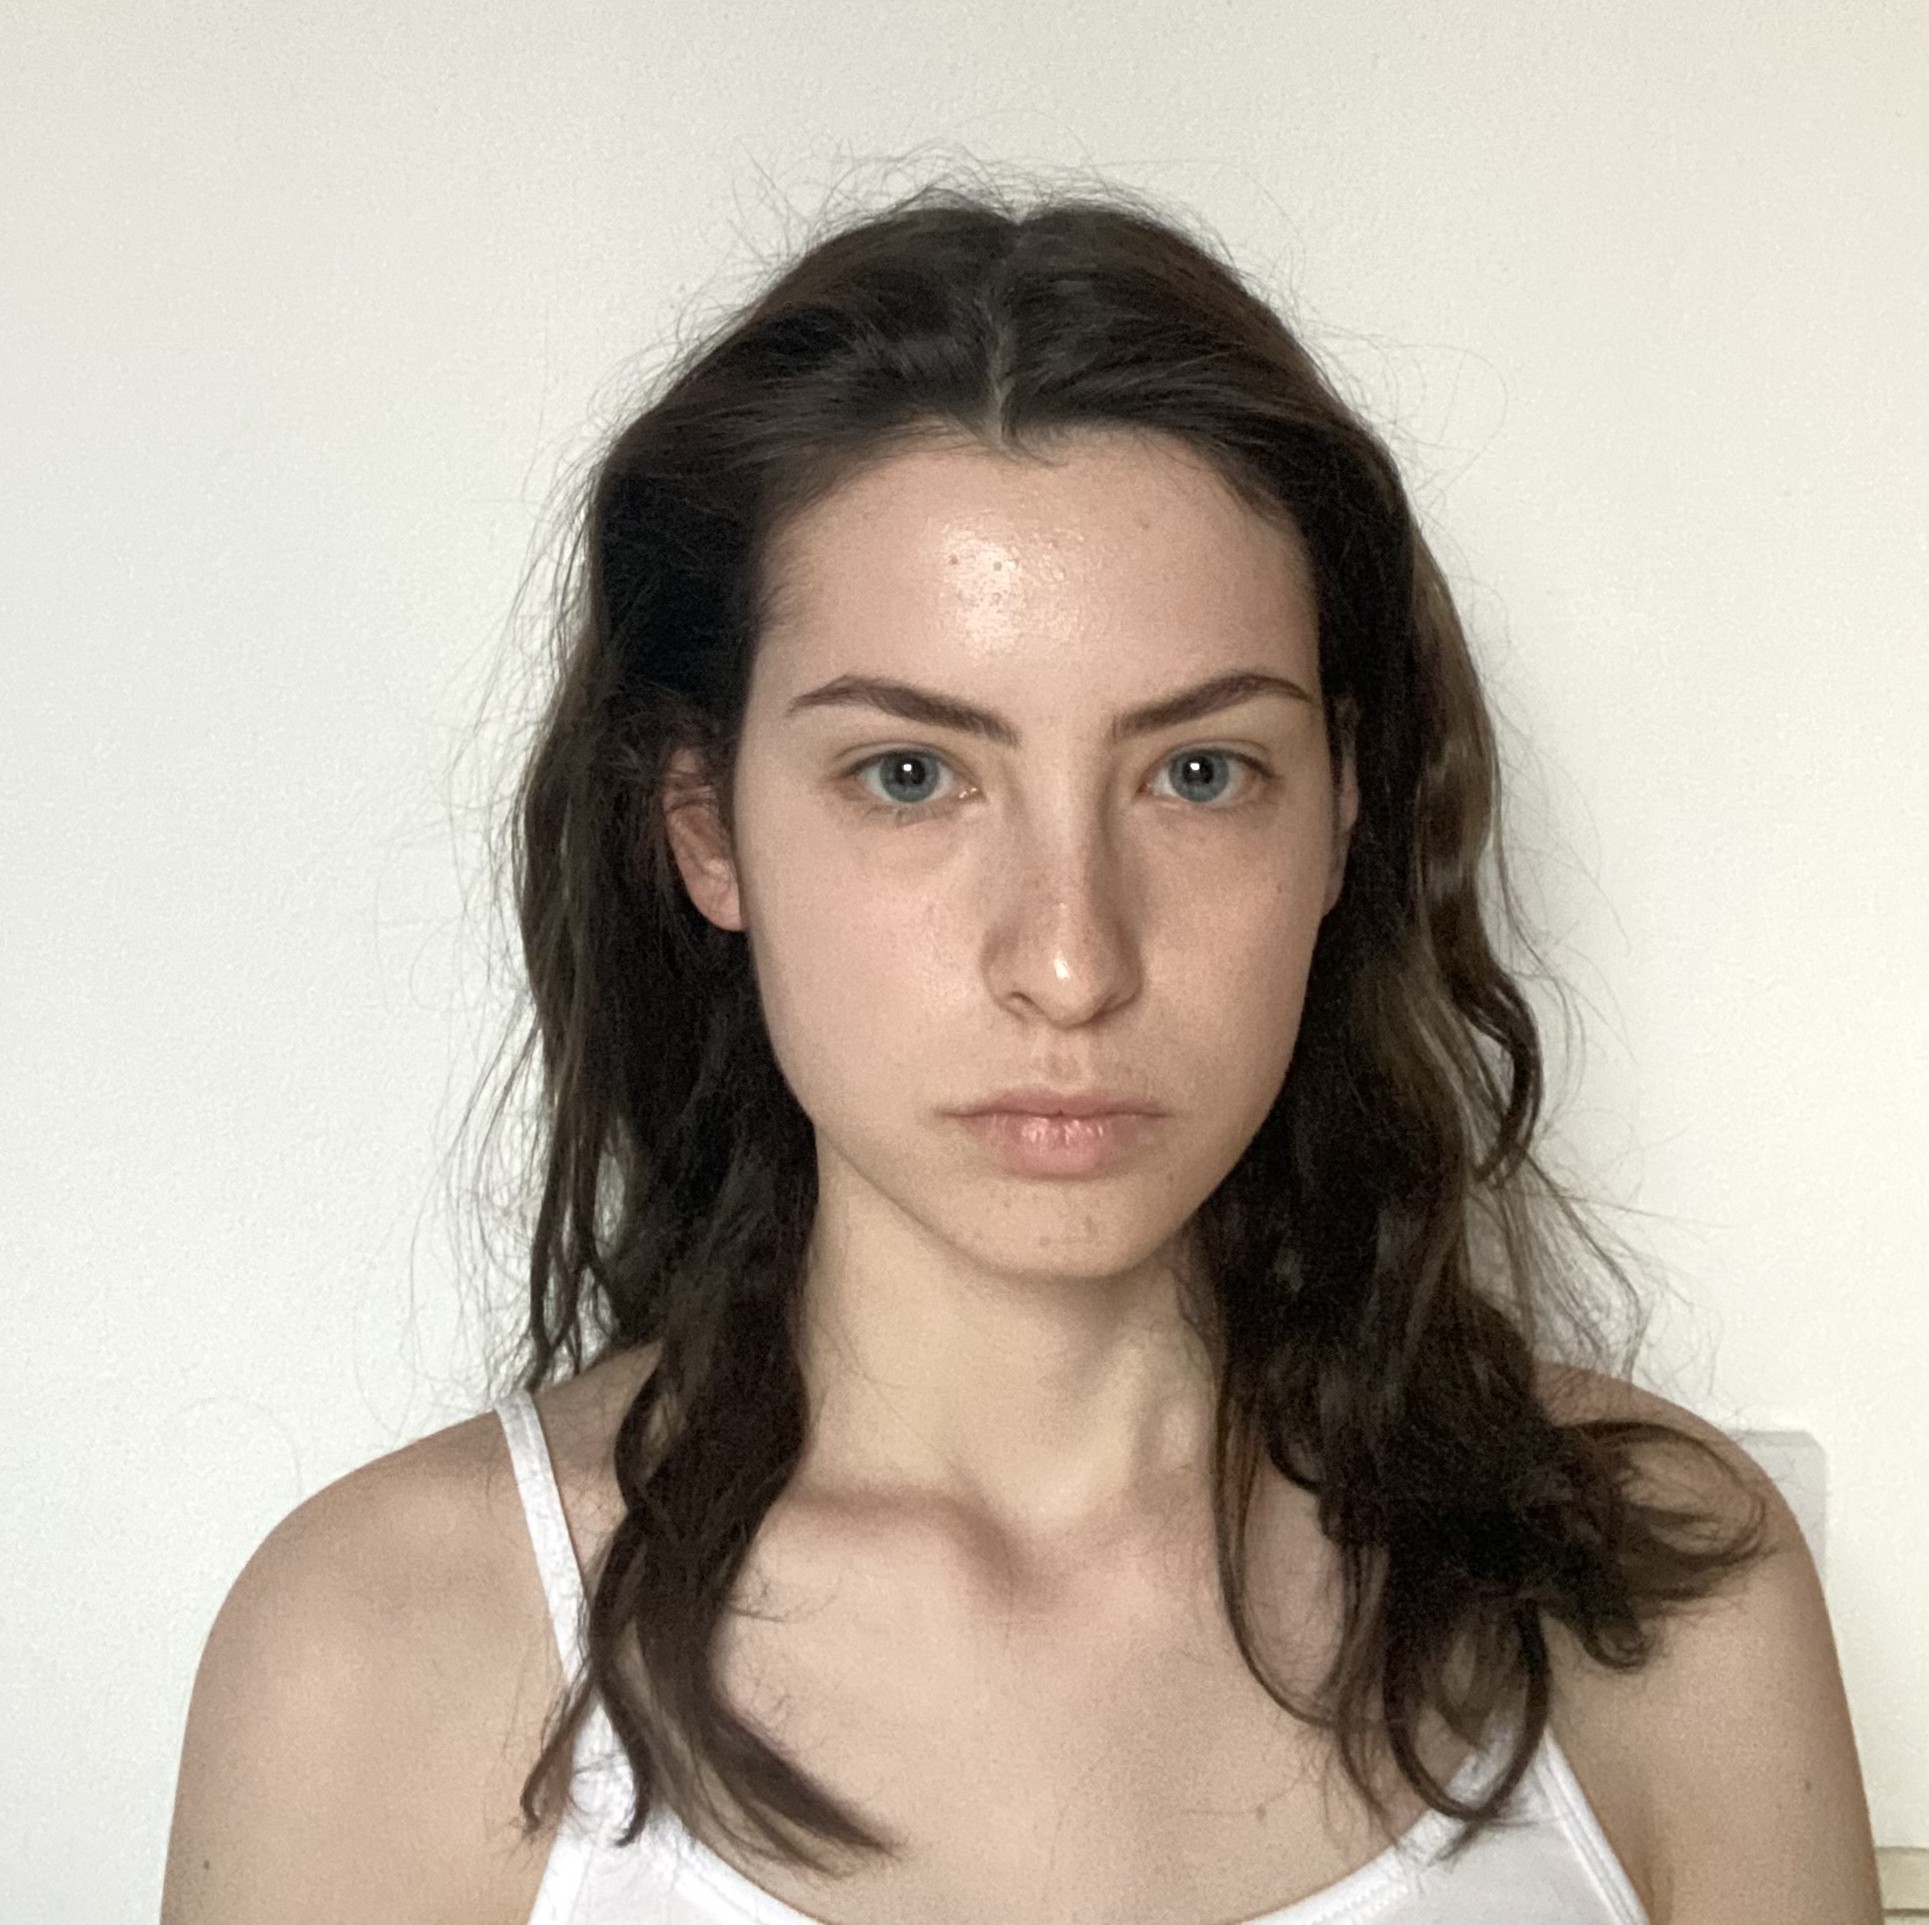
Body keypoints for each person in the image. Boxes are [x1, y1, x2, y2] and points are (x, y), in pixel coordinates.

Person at [160, 187, 1883, 1925]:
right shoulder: (380, 1658)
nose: (1070, 960)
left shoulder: (1661, 1603)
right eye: (909, 775)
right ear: (705, 826)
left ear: (1344, 810)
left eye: (1198, 773)